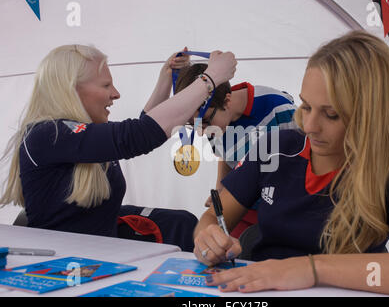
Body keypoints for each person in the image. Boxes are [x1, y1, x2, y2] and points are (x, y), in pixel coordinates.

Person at [192, 31, 389, 296]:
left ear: (369, 117)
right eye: (305, 106)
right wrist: (207, 237)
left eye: (331, 114)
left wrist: (312, 269)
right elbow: (213, 217)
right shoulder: (275, 148)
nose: (310, 126)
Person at [0, 44, 236, 252]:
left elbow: (142, 128)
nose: (116, 93)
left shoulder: (76, 137)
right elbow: (137, 135)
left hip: (98, 250)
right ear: (71, 89)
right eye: (106, 85)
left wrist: (166, 79)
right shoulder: (47, 134)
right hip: (65, 262)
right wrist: (210, 79)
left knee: (181, 222)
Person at [174, 63, 298, 237]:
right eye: (192, 125)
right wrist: (221, 189)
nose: (201, 132)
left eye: (206, 121)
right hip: (243, 210)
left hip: (283, 214)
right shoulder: (211, 121)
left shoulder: (280, 110)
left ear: (227, 100)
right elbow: (225, 155)